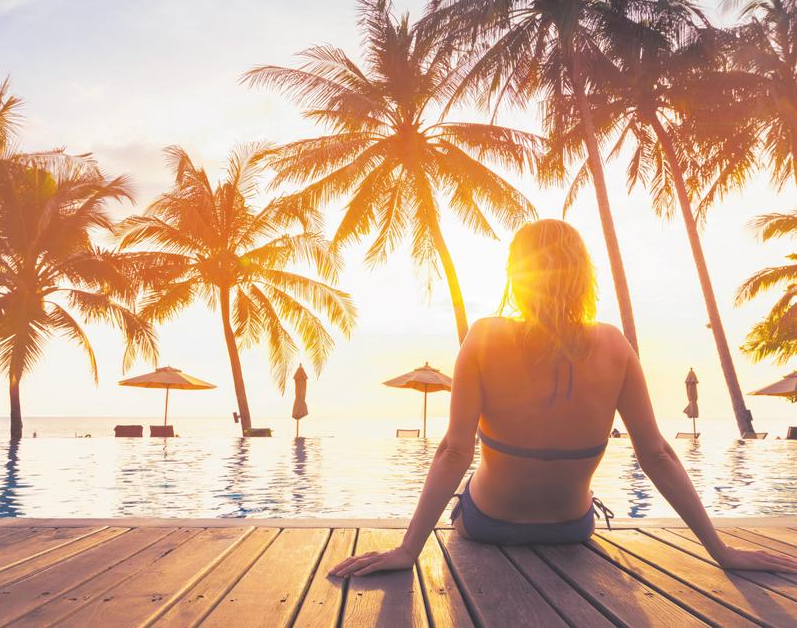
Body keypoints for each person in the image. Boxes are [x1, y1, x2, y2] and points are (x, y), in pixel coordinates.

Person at [330, 220, 797, 578]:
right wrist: (723, 552)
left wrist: (408, 551)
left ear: (518, 274)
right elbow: (655, 454)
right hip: (571, 529)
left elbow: (455, 451)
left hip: (489, 524)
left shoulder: (486, 335)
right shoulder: (615, 344)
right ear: (583, 276)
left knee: (472, 482)